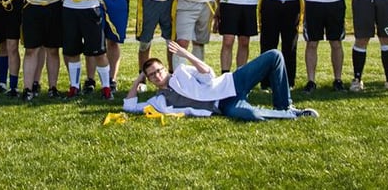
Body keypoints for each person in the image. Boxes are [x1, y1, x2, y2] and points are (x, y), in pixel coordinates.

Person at [124, 40, 318, 121]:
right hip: (224, 104)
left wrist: (185, 54)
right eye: (152, 75)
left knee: (274, 56)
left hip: (231, 82)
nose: (157, 76)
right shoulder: (158, 101)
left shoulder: (182, 71)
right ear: (149, 80)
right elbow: (129, 106)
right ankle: (293, 115)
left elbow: (209, 74)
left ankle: (285, 106)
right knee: (252, 115)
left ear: (165, 69)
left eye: (158, 71)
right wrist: (139, 77)